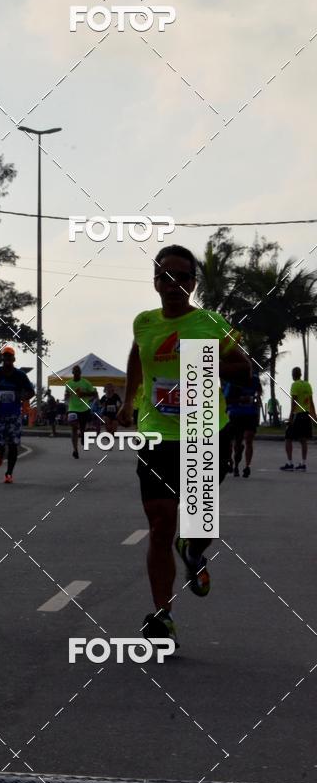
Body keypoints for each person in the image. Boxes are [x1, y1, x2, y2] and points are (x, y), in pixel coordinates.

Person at [117, 244, 251, 646]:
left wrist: (203, 359)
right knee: (160, 525)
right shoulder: (144, 322)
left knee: (199, 523)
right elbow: (138, 356)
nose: (173, 285)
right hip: (158, 436)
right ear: (155, 282)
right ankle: (163, 617)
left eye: (181, 277)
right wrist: (128, 399)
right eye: (164, 277)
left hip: (206, 433)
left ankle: (193, 551)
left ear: (192, 282)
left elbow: (243, 367)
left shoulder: (212, 323)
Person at [0, 346, 34, 483]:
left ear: (13, 359)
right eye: (5, 356)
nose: (7, 359)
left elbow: (31, 392)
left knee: (13, 445)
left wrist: (21, 397)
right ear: (2, 358)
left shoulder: (20, 375)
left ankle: (9, 474)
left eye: (9, 357)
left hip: (14, 414)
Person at [225, 368, 262, 477]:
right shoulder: (233, 382)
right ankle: (234, 463)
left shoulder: (255, 379)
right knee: (236, 443)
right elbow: (227, 399)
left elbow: (259, 392)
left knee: (249, 439)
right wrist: (241, 399)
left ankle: (247, 467)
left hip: (251, 414)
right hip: (236, 414)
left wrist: (256, 398)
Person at [281, 367, 315, 471]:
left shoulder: (295, 385)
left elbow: (294, 403)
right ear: (300, 374)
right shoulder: (307, 385)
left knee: (288, 438)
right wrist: (314, 415)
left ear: (293, 375)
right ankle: (303, 464)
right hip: (306, 414)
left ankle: (290, 463)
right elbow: (311, 402)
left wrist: (290, 417)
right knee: (303, 440)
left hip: (298, 415)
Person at [65, 364, 96, 459]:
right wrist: (67, 397)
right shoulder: (68, 383)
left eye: (78, 372)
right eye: (75, 372)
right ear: (73, 373)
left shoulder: (86, 383)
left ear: (80, 373)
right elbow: (66, 395)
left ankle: (83, 436)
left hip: (84, 408)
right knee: (74, 428)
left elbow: (94, 393)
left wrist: (84, 394)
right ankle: (75, 450)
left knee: (83, 428)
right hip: (72, 408)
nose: (76, 373)